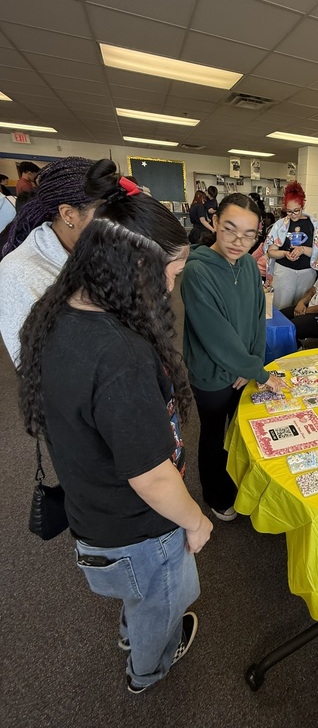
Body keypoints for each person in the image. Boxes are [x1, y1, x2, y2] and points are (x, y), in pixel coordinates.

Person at [18, 159, 212, 695]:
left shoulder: (57, 313)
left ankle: (134, 635)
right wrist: (195, 521)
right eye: (171, 275)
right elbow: (151, 477)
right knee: (161, 600)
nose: (173, 287)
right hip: (137, 527)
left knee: (140, 597)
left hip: (94, 509)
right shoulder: (120, 358)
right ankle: (148, 668)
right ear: (137, 269)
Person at [181, 193, 288, 522]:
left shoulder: (247, 264)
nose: (238, 241)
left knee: (241, 430)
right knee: (213, 433)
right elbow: (216, 335)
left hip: (243, 370)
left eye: (249, 234)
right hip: (212, 374)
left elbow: (258, 318)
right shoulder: (197, 272)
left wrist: (252, 363)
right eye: (229, 229)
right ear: (214, 223)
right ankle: (215, 493)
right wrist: (257, 371)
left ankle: (242, 482)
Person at [0, 157, 101, 365]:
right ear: (68, 214)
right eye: (106, 213)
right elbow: (33, 364)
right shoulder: (18, 271)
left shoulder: (95, 249)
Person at [264, 181, 318, 310]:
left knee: (300, 309)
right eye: (289, 211)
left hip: (307, 273)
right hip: (284, 272)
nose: (293, 215)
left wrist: (302, 249)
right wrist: (285, 253)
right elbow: (271, 252)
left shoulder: (314, 225)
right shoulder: (280, 225)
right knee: (280, 308)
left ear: (303, 206)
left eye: (296, 211)